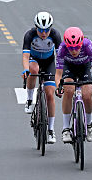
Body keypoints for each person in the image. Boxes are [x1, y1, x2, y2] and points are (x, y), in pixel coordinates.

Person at [54, 27, 92, 143]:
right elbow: (58, 74)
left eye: (77, 47)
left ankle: (89, 124)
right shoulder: (62, 48)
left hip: (84, 68)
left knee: (87, 95)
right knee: (69, 90)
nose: (74, 51)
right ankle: (66, 128)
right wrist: (58, 87)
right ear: (66, 45)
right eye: (71, 48)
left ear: (81, 44)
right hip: (69, 68)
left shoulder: (88, 45)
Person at [21, 11, 63, 145]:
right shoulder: (29, 35)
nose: (44, 33)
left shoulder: (55, 35)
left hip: (49, 61)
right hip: (34, 59)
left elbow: (60, 58)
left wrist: (60, 76)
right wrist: (25, 69)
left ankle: (50, 130)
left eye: (46, 30)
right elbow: (25, 56)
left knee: (50, 94)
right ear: (36, 27)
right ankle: (29, 99)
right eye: (40, 30)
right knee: (33, 69)